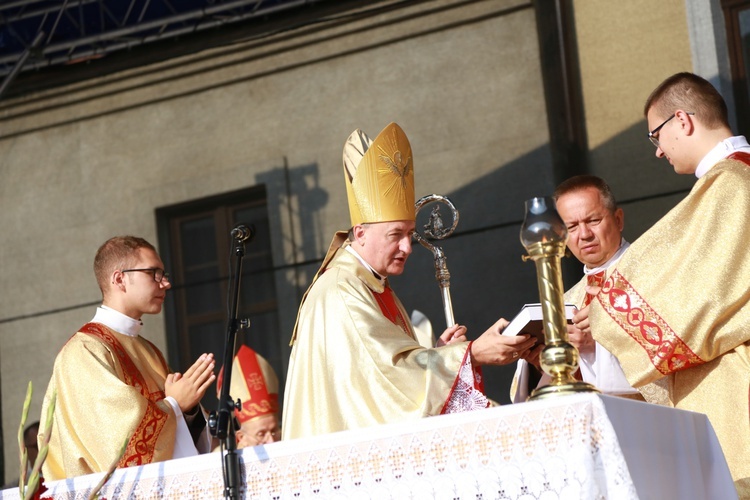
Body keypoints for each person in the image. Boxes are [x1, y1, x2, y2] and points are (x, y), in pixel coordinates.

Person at [282, 122, 537, 440]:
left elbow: (387, 377)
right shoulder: (340, 291)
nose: (407, 247)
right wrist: (469, 354)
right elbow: (388, 383)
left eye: (409, 234)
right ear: (360, 233)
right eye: (396, 235)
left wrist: (441, 353)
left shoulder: (371, 283)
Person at [584, 72, 750, 494]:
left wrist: (605, 312)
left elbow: (699, 299)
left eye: (655, 135)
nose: (657, 151)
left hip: (738, 384)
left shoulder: (728, 185)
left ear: (683, 120)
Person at [39, 236, 217, 481]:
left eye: (164, 274)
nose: (165, 283)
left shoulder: (149, 350)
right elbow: (115, 446)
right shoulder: (84, 351)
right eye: (153, 273)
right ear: (119, 279)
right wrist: (175, 405)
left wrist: (188, 410)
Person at [510, 175, 639, 402]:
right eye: (572, 226)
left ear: (618, 220)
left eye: (593, 221)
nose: (585, 235)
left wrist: (593, 347)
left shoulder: (651, 273)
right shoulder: (566, 301)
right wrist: (546, 366)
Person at [216, 345, 280, 448]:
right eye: (261, 434)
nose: (271, 441)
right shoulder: (220, 461)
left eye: (274, 431)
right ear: (241, 437)